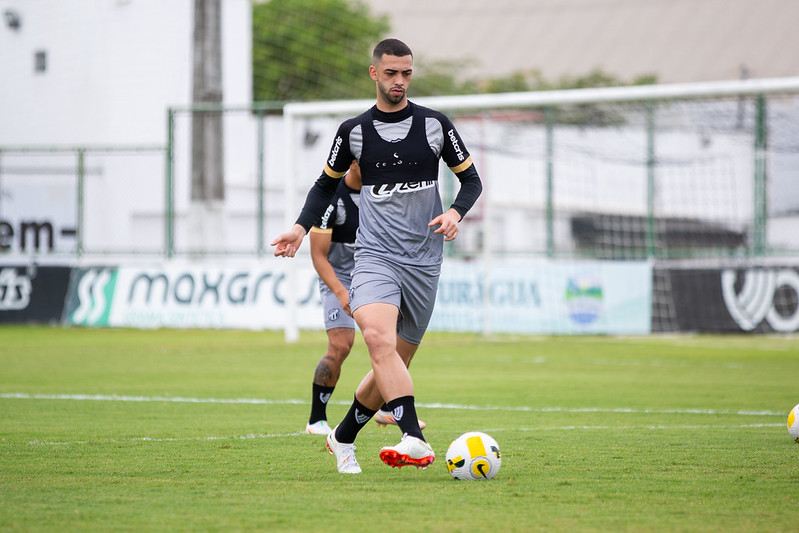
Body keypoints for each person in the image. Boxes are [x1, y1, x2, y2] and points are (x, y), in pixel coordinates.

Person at [272, 38, 482, 474]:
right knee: (378, 340)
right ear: (374, 74)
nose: (399, 81)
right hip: (375, 257)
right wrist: (298, 227)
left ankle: (342, 435)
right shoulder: (354, 132)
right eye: (391, 73)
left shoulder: (435, 126)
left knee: (393, 364)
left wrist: (456, 214)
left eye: (406, 73)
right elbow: (323, 186)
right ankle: (414, 438)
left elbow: (472, 181)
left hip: (424, 261)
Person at [305, 160, 427, 436]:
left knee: (397, 345)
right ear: (351, 163)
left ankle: (387, 409)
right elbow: (318, 255)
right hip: (343, 279)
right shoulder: (332, 199)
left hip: (379, 275)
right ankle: (316, 419)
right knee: (341, 344)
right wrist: (340, 292)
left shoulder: (383, 193)